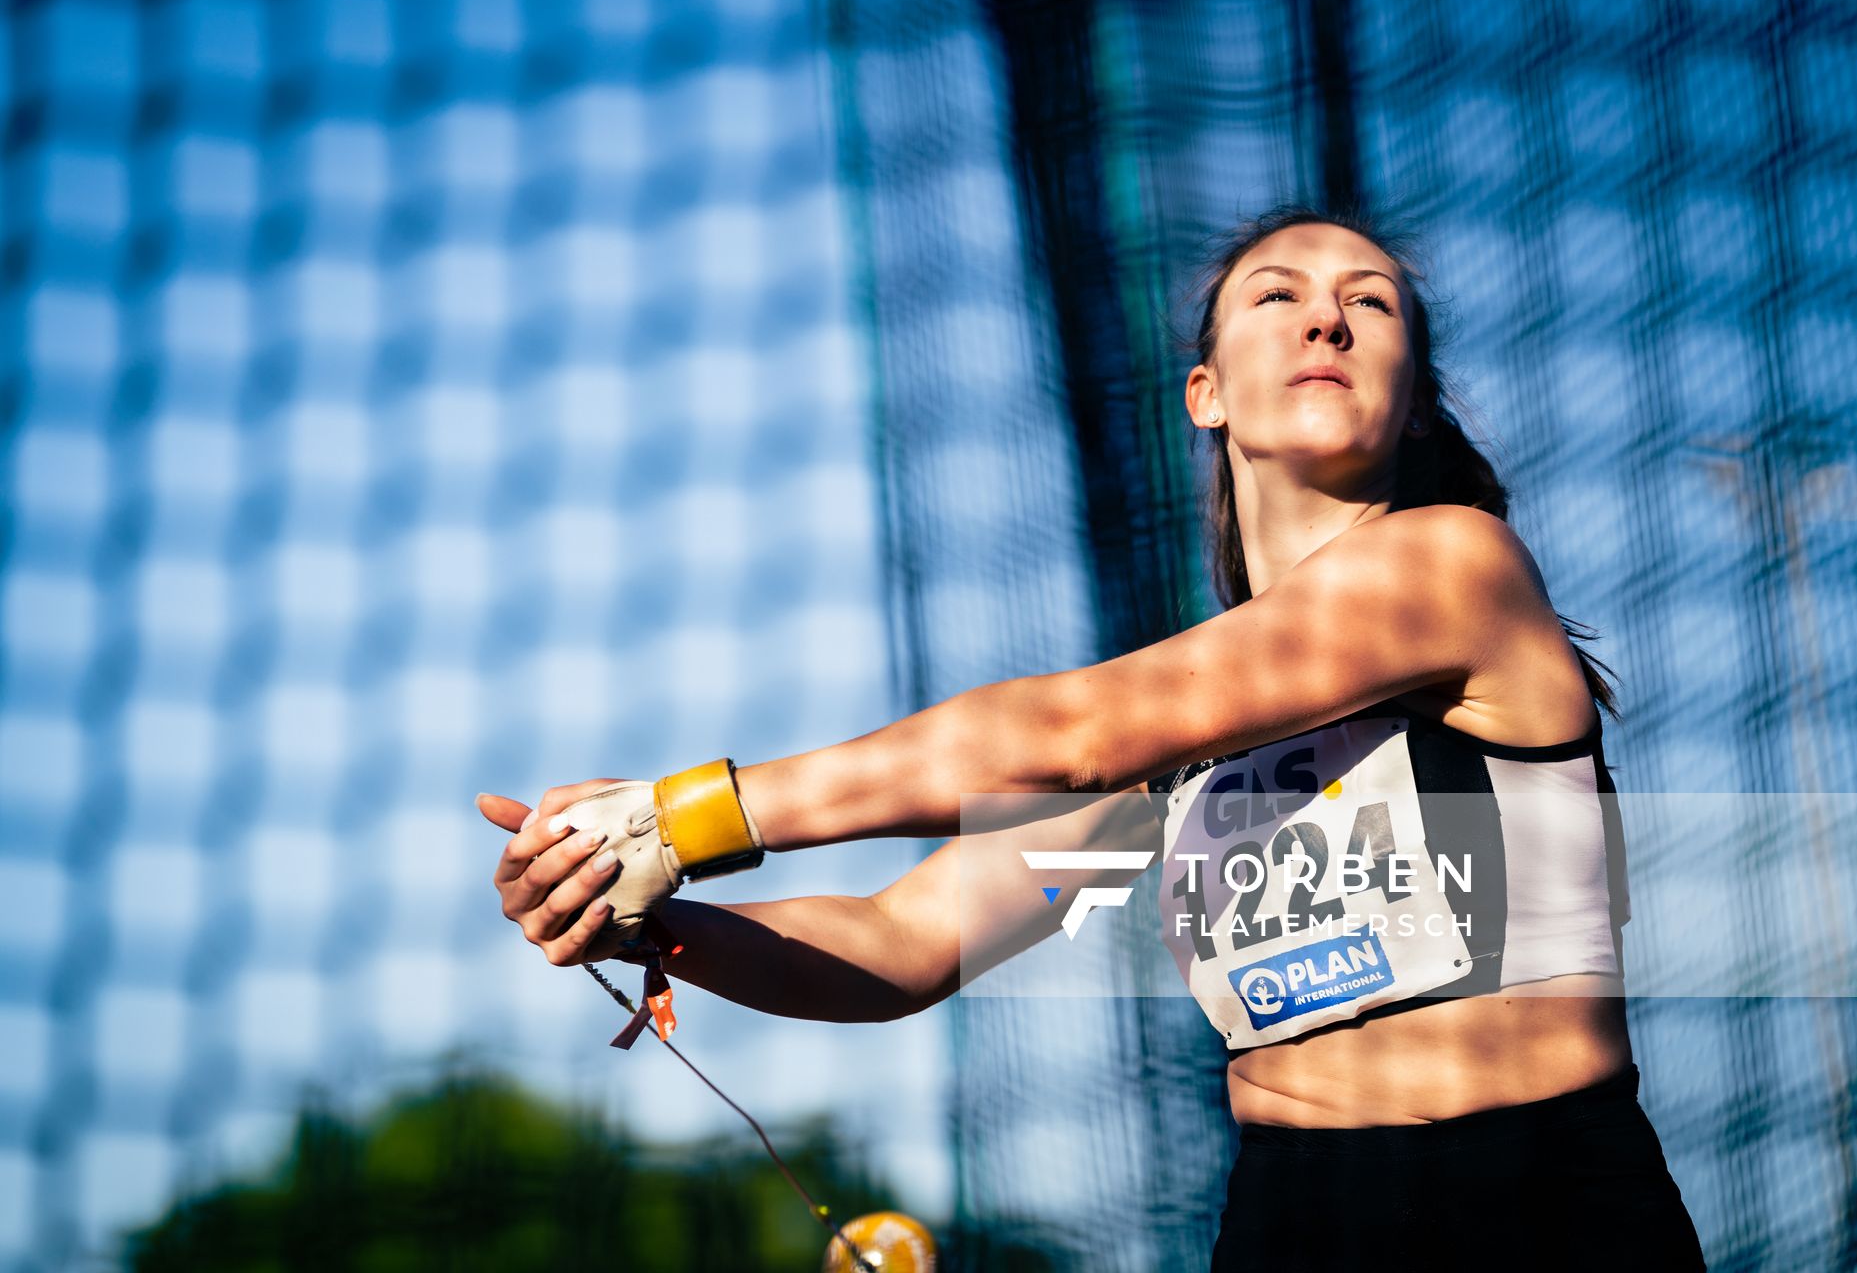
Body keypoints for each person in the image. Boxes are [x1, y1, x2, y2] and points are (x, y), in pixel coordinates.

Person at [476, 206, 1705, 1269]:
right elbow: (901, 942)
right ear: (1206, 392)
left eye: (1368, 304)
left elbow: (1076, 732)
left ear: (1412, 393)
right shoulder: (1184, 747)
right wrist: (637, 906)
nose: (1326, 321)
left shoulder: (1453, 566)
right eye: (1278, 296)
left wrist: (678, 815)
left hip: (1542, 1210)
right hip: (1292, 1222)